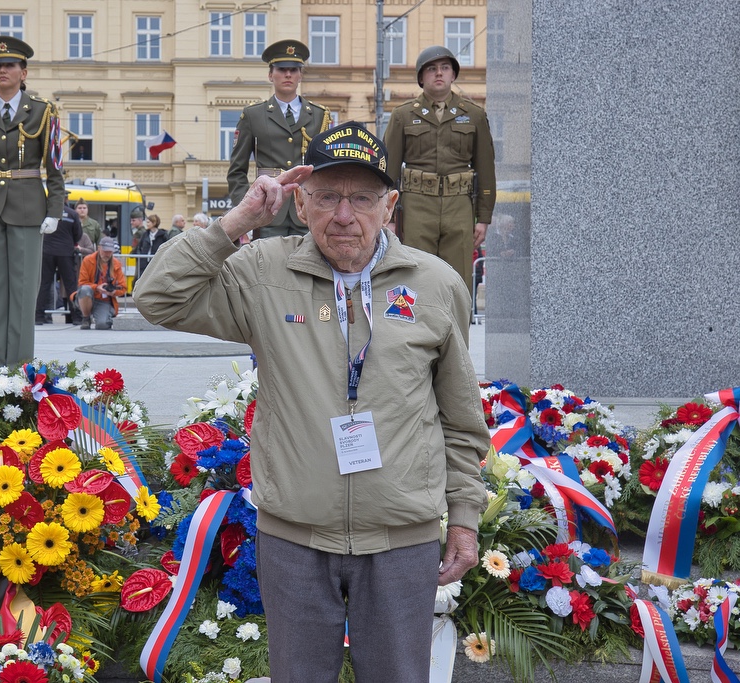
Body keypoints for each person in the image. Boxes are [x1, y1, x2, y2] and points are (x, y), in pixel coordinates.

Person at [134, 122, 489, 682]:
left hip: (401, 541)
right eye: (327, 196)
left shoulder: (436, 284)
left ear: (389, 205)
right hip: (294, 541)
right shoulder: (262, 273)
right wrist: (237, 222)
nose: (344, 215)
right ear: (301, 202)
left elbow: (462, 420)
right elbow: (157, 297)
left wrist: (464, 520)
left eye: (362, 198)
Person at [0, 36, 66, 368]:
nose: (2, 70)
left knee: (22, 294)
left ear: (23, 71)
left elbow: (55, 166)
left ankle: (20, 370)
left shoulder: (44, 110)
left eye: (10, 65)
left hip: (28, 208)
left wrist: (55, 210)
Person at [383, 45, 496, 296]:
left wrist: (484, 218)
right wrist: (388, 218)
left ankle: (455, 335)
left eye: (445, 68)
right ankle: (418, 335)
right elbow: (388, 171)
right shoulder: (403, 116)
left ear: (453, 75)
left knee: (458, 280)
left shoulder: (474, 115)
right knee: (416, 276)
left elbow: (486, 168)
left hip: (460, 206)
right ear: (421, 78)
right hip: (416, 207)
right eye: (431, 69)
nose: (439, 73)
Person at [226, 39, 331, 240]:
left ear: (301, 75)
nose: (288, 74)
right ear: (270, 75)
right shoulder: (253, 115)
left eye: (294, 69)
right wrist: (245, 211)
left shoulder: (319, 115)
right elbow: (236, 172)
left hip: (307, 207)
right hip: (267, 208)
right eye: (282, 69)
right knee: (267, 267)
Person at [36, 202, 82, 325]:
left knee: (44, 284)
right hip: (66, 252)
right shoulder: (72, 214)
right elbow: (78, 234)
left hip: (47, 252)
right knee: (70, 285)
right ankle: (76, 317)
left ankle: (38, 316)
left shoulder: (46, 213)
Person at [75, 237, 127, 330]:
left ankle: (108, 316)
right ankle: (86, 318)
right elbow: (82, 283)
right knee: (85, 289)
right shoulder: (88, 260)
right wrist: (97, 287)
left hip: (104, 300)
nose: (107, 254)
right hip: (90, 295)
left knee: (102, 325)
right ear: (99, 248)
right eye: (105, 251)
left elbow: (123, 288)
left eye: (109, 252)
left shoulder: (116, 264)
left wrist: (113, 292)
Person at [133, 213, 167, 282]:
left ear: (154, 223)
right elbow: (139, 246)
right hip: (144, 263)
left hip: (157, 263)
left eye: (148, 222)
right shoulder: (145, 234)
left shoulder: (163, 235)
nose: (146, 224)